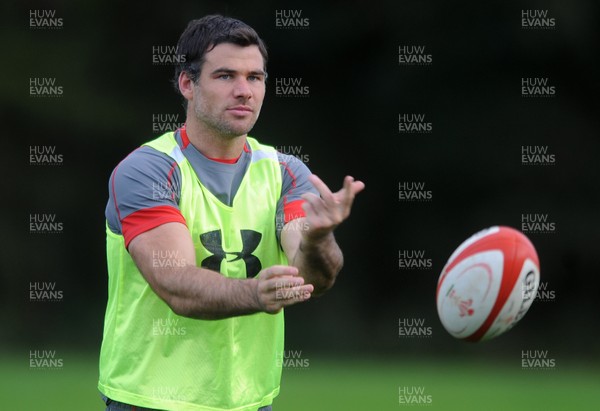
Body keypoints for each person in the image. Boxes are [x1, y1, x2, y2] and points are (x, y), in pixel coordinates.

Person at [98, 14, 364, 411]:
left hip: (250, 401)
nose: (244, 91)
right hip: (150, 400)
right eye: (225, 76)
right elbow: (176, 285)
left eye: (254, 78)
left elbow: (310, 278)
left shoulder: (286, 171)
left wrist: (317, 238)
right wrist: (257, 293)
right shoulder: (148, 170)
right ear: (187, 84)